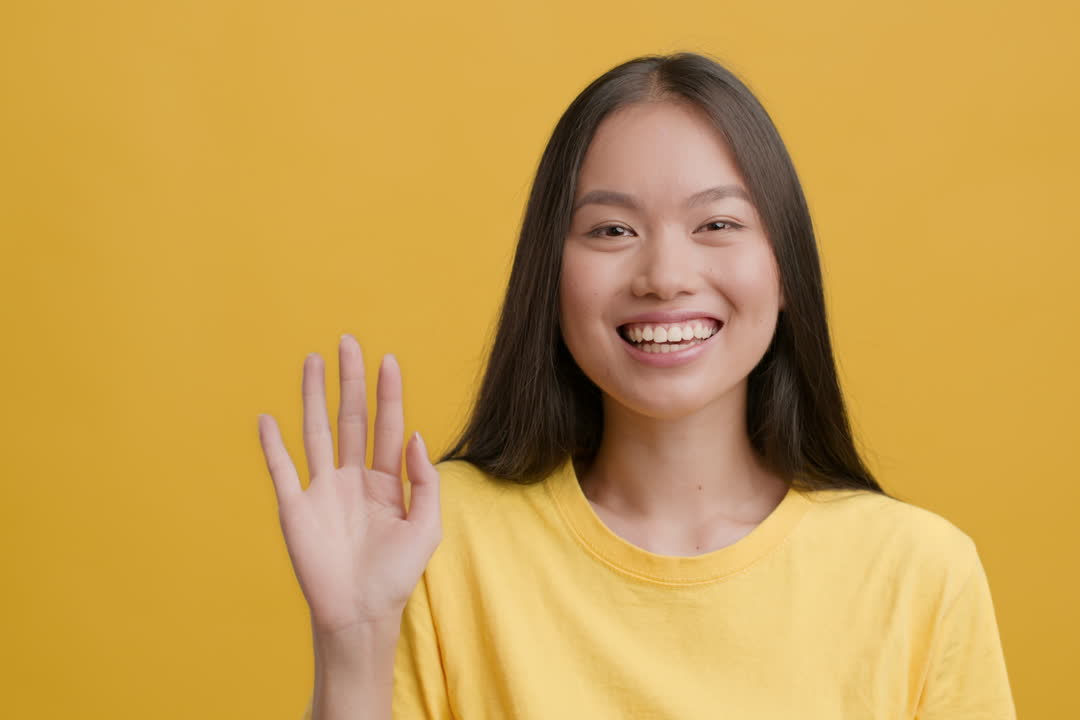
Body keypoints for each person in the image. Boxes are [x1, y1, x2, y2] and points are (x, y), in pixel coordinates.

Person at [257, 52, 1016, 720]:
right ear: (547, 279)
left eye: (717, 224)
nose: (665, 277)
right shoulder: (431, 541)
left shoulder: (919, 574)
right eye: (612, 231)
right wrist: (351, 643)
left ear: (785, 270)